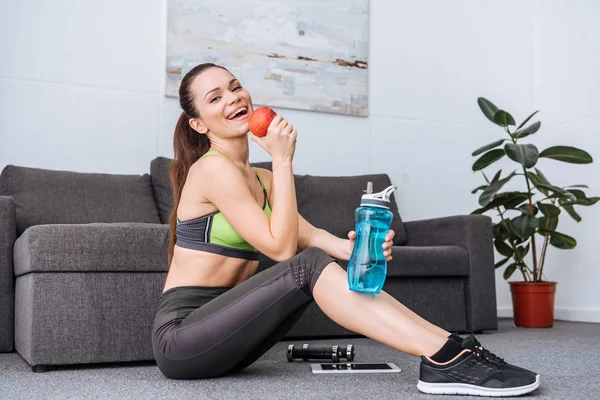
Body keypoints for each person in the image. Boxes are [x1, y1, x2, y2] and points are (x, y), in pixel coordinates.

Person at [151, 63, 540, 397]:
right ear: (198, 123)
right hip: (184, 338)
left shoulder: (262, 178)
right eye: (215, 97)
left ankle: (453, 348)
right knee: (306, 265)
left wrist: (360, 248)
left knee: (316, 260)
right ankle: (445, 357)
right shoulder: (212, 169)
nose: (233, 98)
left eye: (235, 87)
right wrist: (284, 159)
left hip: (230, 334)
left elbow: (312, 236)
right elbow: (284, 249)